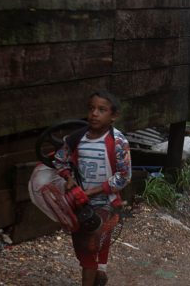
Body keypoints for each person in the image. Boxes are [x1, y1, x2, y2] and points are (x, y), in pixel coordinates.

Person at [52, 91, 131, 286]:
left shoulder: (118, 142)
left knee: (90, 245)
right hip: (80, 204)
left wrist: (94, 191)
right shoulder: (76, 139)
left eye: (102, 110)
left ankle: (93, 273)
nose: (95, 114)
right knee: (89, 244)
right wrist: (68, 178)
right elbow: (59, 160)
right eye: (91, 109)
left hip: (106, 202)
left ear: (113, 116)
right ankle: (100, 270)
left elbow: (124, 176)